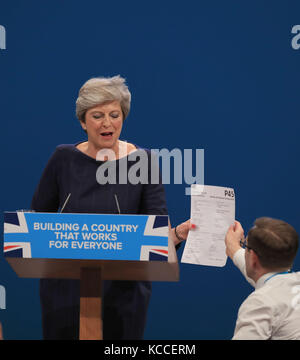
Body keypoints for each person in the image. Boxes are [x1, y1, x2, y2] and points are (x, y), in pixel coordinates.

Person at [31, 75, 189, 340]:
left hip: (123, 292)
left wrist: (175, 236)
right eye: (97, 115)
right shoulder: (62, 158)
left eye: (114, 114)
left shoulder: (143, 161)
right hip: (65, 289)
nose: (107, 123)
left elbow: (156, 229)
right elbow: (35, 224)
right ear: (83, 121)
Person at [225, 217, 300, 340]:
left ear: (253, 258)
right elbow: (262, 276)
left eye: (246, 246)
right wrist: (233, 246)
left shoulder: (261, 303)